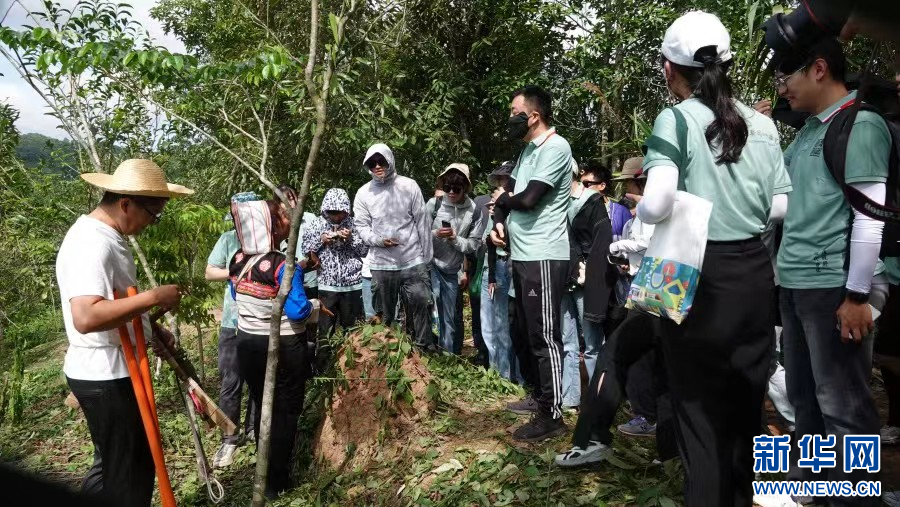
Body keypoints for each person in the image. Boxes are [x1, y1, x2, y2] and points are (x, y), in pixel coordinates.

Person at [637, 12, 792, 505]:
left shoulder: (676, 119)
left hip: (694, 271)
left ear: (669, 68)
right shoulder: (763, 124)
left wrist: (645, 210)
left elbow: (656, 203)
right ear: (726, 62)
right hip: (754, 274)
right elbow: (780, 206)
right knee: (745, 406)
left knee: (698, 413)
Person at [774, 37, 890, 504]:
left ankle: (857, 498)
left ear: (819, 69)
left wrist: (857, 296)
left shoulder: (860, 125)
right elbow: (782, 203)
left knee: (843, 405)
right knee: (804, 396)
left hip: (834, 286)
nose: (782, 89)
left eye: (786, 78)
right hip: (795, 283)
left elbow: (870, 217)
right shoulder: (807, 131)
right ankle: (817, 486)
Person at [56, 159, 190, 507]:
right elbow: (87, 315)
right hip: (106, 374)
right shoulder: (92, 242)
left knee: (113, 466)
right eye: (153, 214)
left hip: (111, 368)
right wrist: (154, 297)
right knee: (129, 475)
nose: (152, 222)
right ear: (126, 203)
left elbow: (113, 302)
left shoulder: (106, 235)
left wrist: (149, 326)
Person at [491, 85, 572, 441]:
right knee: (524, 332)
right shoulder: (526, 151)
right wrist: (498, 222)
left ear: (534, 116)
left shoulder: (556, 147)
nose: (510, 118)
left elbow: (528, 199)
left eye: (515, 112)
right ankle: (539, 397)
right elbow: (505, 197)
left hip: (544, 254)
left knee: (544, 336)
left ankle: (552, 415)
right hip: (522, 254)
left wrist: (505, 201)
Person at [229, 199, 320, 498]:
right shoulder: (283, 265)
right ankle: (277, 481)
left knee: (262, 402)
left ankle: (264, 469)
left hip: (247, 342)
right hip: (282, 345)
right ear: (272, 226)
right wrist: (314, 306)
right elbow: (296, 310)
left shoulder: (238, 259)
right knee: (285, 409)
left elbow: (237, 295)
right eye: (281, 216)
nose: (287, 219)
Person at [353, 143, 435, 351]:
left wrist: (426, 260)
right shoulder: (363, 193)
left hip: (413, 260)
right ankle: (389, 356)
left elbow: (423, 223)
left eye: (381, 161)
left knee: (420, 308)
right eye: (372, 163)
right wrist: (379, 240)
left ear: (390, 160)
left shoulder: (409, 186)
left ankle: (423, 352)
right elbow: (361, 227)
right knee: (385, 316)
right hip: (381, 263)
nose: (377, 166)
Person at [205, 191, 260, 469]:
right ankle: (229, 438)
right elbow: (209, 271)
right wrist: (235, 272)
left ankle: (254, 429)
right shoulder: (228, 240)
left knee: (258, 379)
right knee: (231, 379)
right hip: (232, 320)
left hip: (259, 320)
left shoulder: (266, 239)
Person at [560, 158, 607, 411]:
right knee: (567, 342)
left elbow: (602, 240)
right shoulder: (554, 201)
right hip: (561, 277)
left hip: (584, 279)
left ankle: (598, 402)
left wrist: (593, 271)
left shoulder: (591, 200)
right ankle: (570, 398)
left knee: (592, 343)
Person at [425, 164, 486, 354]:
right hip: (430, 265)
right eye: (447, 187)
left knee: (449, 318)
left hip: (452, 269)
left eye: (456, 189)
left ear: (465, 188)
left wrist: (454, 238)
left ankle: (447, 356)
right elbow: (419, 235)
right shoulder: (433, 205)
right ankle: (427, 352)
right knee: (429, 308)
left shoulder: (474, 211)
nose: (451, 192)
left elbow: (473, 244)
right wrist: (436, 233)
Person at [302, 188, 368, 338]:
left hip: (352, 284)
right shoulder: (318, 223)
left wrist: (350, 239)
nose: (336, 217)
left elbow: (364, 250)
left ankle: (349, 353)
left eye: (340, 212)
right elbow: (305, 248)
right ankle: (325, 353)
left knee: (352, 330)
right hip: (327, 285)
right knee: (325, 331)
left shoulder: (354, 224)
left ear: (346, 210)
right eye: (332, 213)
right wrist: (321, 240)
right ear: (326, 210)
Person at [480, 161, 519, 381]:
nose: (502, 182)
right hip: (491, 268)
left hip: (507, 267)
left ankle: (507, 375)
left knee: (504, 326)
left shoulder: (520, 206)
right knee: (488, 326)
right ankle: (495, 373)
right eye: (500, 179)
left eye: (506, 178)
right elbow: (485, 240)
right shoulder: (494, 206)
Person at [276, 185, 319, 298]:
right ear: (278, 204)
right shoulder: (276, 226)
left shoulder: (311, 219)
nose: (294, 203)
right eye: (288, 200)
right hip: (288, 282)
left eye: (295, 198)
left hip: (313, 279)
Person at [579, 162, 631, 241]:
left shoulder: (621, 213)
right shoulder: (578, 213)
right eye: (580, 185)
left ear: (602, 186)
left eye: (586, 184)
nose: (581, 189)